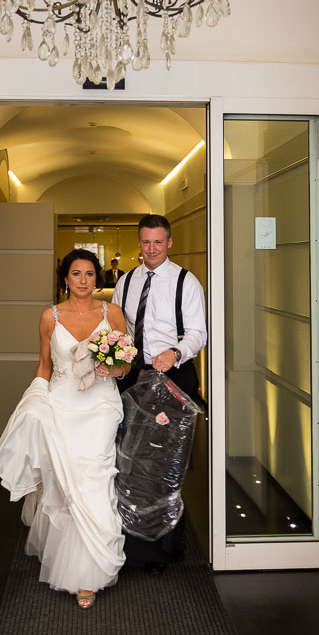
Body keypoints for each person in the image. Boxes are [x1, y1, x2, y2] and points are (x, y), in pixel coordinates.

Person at [0, 249, 130, 609]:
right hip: (62, 403)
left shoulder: (112, 313)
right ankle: (72, 563)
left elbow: (126, 366)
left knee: (94, 476)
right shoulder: (48, 317)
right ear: (65, 278)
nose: (83, 280)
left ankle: (91, 573)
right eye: (76, 273)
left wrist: (115, 370)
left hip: (101, 404)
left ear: (96, 278)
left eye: (89, 274)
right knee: (66, 482)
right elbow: (44, 365)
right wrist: (36, 401)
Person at [112, 213, 207, 571]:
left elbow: (199, 332)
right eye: (145, 242)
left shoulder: (186, 282)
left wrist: (176, 351)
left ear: (170, 243)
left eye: (158, 242)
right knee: (131, 459)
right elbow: (120, 326)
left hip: (174, 379)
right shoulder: (126, 281)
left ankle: (166, 546)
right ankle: (131, 540)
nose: (151, 249)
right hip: (134, 379)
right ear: (139, 243)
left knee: (166, 463)